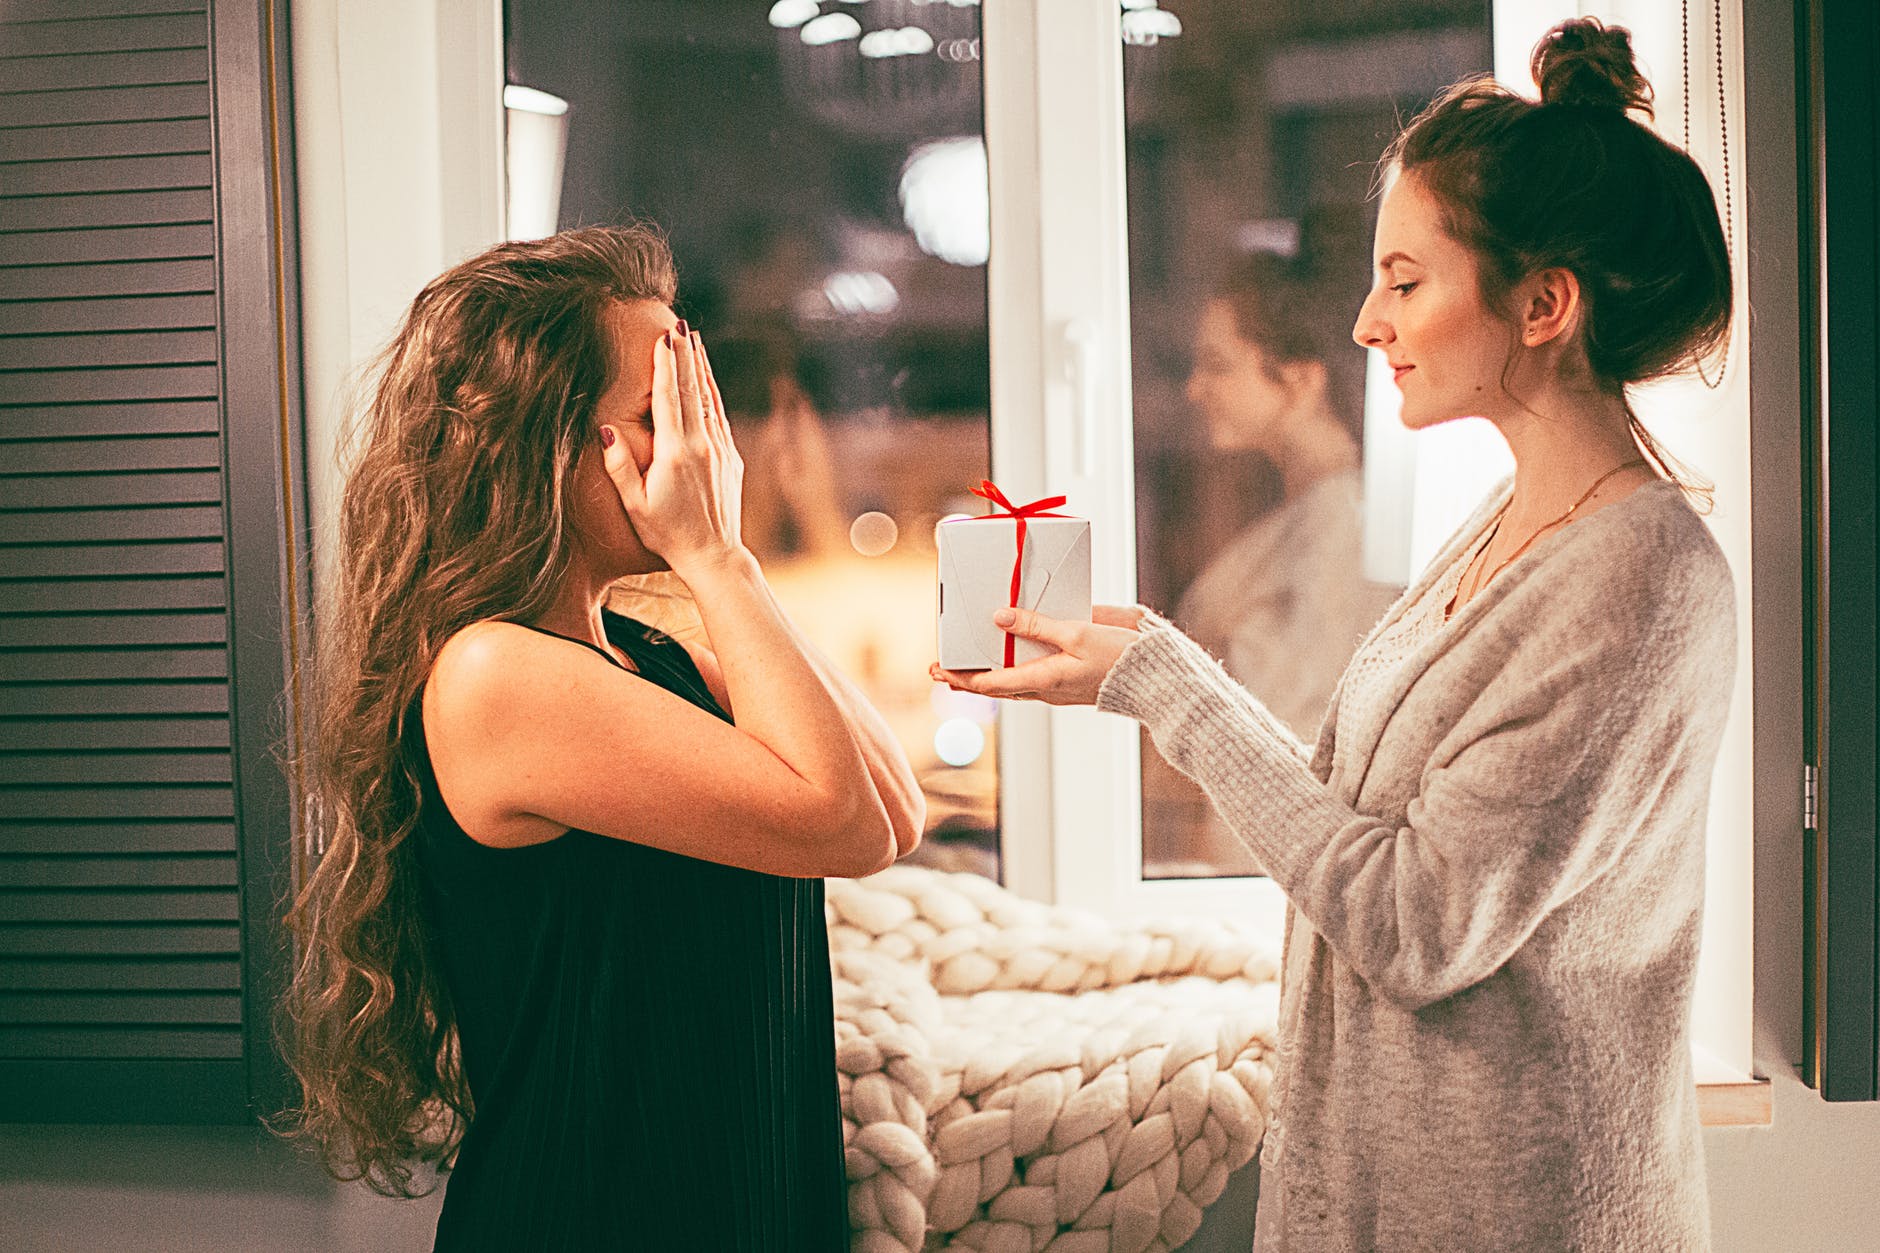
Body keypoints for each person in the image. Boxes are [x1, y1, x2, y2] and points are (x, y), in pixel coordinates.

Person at [934, 18, 1733, 1251]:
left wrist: (1167, 684)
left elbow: (1414, 924)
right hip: (1378, 1193)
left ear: (1541, 303)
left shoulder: (1641, 580)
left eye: (1404, 280)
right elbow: (1352, 811)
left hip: (1513, 1215)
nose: (1365, 321)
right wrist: (1137, 660)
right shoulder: (1505, 521)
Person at [284, 225, 924, 1251]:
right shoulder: (494, 674)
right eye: (662, 414)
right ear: (543, 439)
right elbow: (840, 821)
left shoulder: (646, 646)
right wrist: (713, 555)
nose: (704, 450)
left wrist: (731, 566)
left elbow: (889, 808)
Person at [1177, 245, 1399, 742]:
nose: (1196, 388)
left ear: (1300, 379)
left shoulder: (1346, 527)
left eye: (1217, 364)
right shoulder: (1304, 514)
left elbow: (1308, 723)